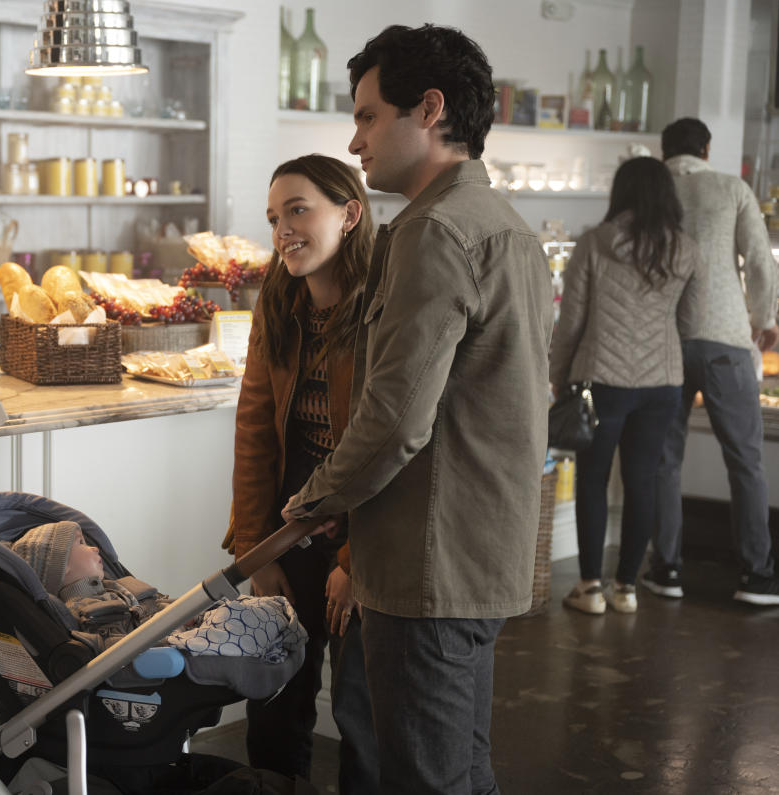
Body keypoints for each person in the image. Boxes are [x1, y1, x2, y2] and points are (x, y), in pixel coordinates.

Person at [280, 25, 552, 794]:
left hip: (428, 557)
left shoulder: (434, 233)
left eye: (368, 116)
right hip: (480, 548)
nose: (355, 139)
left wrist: (316, 499)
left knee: (425, 778)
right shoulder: (503, 223)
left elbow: (397, 417)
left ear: (429, 109)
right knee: (462, 767)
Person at [227, 153, 379, 793]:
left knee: (362, 714)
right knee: (273, 700)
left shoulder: (384, 303)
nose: (283, 230)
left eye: (298, 210)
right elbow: (255, 425)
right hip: (290, 522)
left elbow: (392, 445)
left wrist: (356, 561)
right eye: (273, 217)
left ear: (349, 214)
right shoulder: (280, 298)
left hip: (365, 521)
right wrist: (253, 550)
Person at [550, 157, 705, 616]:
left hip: (601, 379)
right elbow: (690, 322)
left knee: (593, 480)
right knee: (642, 482)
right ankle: (627, 588)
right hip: (662, 384)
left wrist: (558, 377)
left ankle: (590, 588)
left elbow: (571, 322)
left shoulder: (595, 244)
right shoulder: (687, 250)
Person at [648, 118, 779, 605]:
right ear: (706, 149)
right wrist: (764, 319)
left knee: (665, 459)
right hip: (724, 337)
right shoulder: (731, 187)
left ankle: (666, 570)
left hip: (665, 339)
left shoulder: (654, 190)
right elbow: (761, 262)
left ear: (665, 152)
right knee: (745, 460)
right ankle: (756, 575)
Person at [11, 521, 306, 665]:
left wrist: (185, 612)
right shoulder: (84, 606)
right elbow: (118, 640)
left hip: (176, 627)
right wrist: (175, 630)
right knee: (242, 616)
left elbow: (156, 605)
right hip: (160, 646)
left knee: (252, 608)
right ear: (60, 568)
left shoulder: (117, 588)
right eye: (80, 544)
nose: (94, 548)